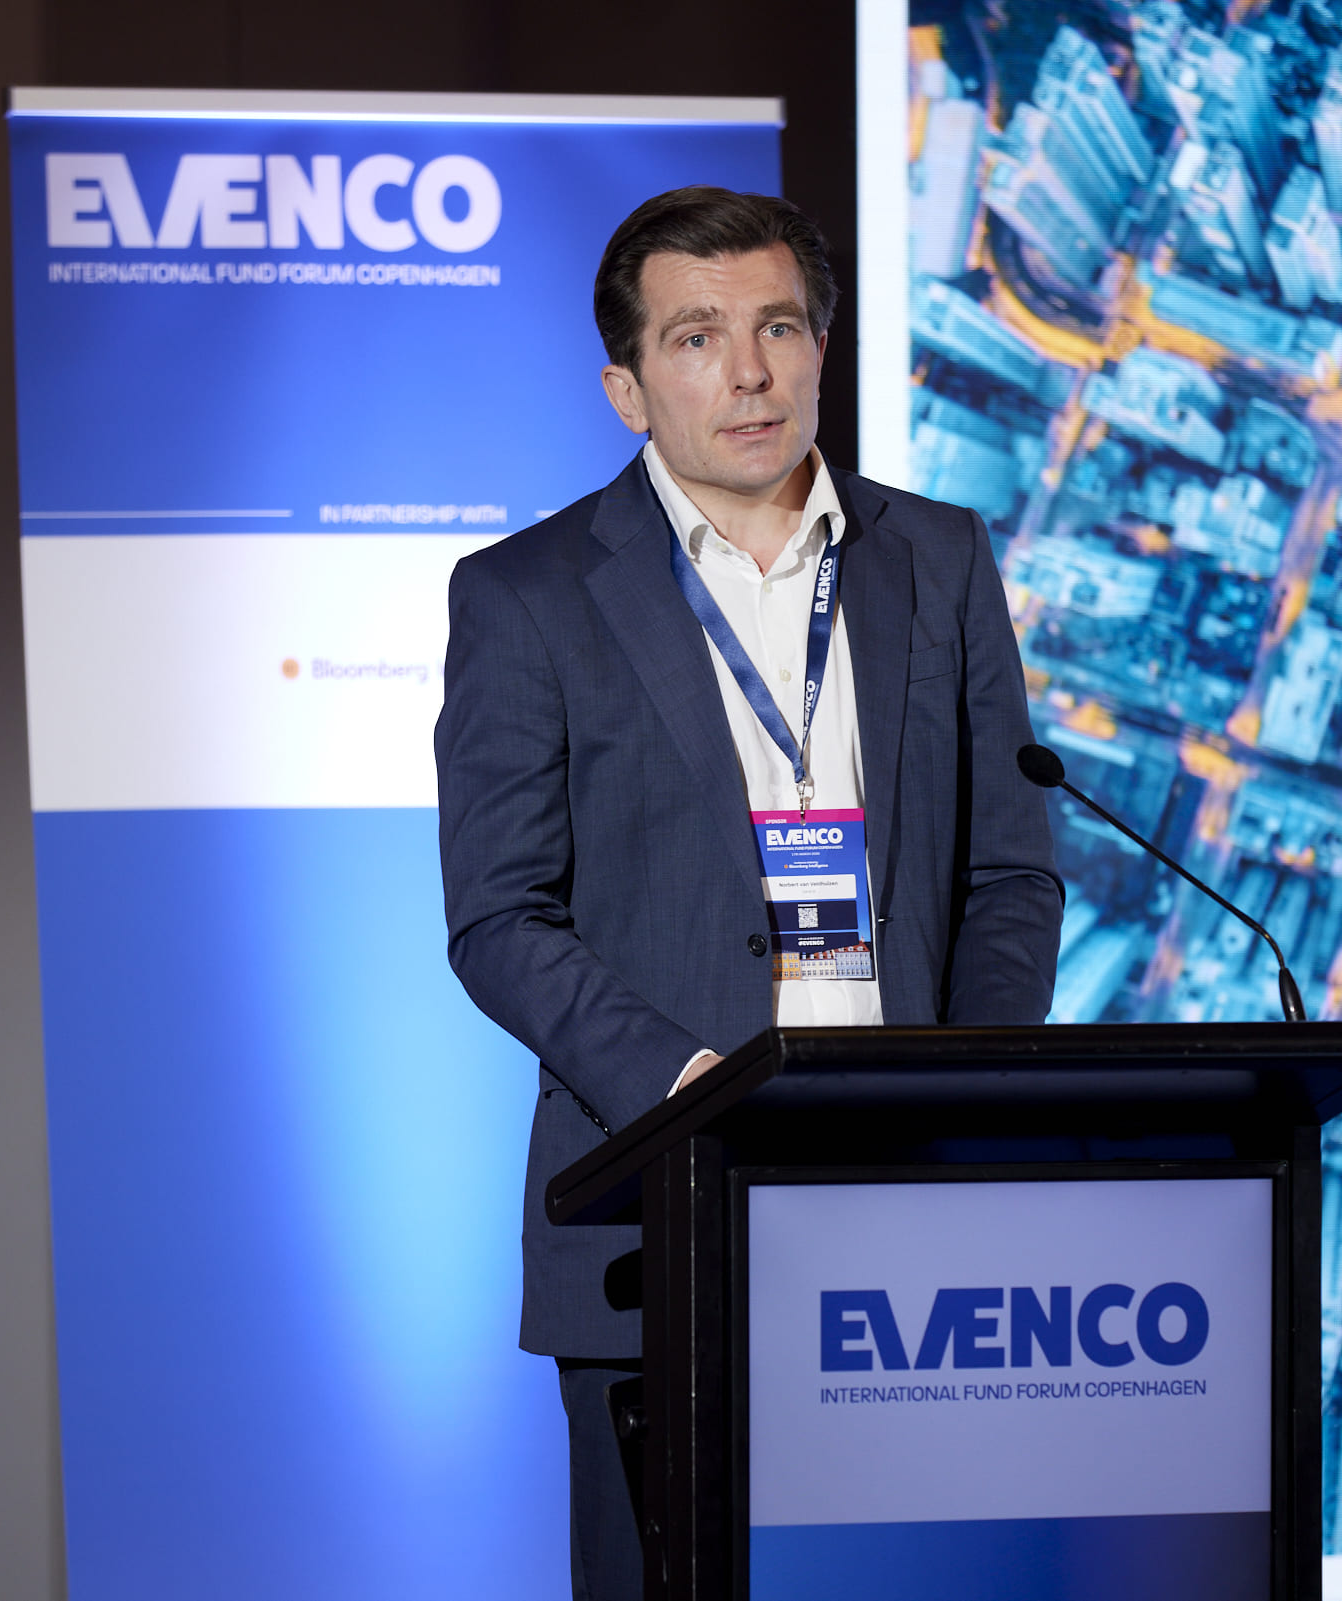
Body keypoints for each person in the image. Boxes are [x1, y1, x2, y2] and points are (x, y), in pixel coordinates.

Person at [433, 186, 1065, 1601]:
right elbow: (500, 916)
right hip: (657, 1217)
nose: (750, 372)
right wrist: (691, 1089)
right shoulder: (527, 596)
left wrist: (962, 1094)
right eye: (697, 337)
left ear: (823, 348)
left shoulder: (940, 560)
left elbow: (1010, 871)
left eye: (778, 327)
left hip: (913, 1223)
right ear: (626, 388)